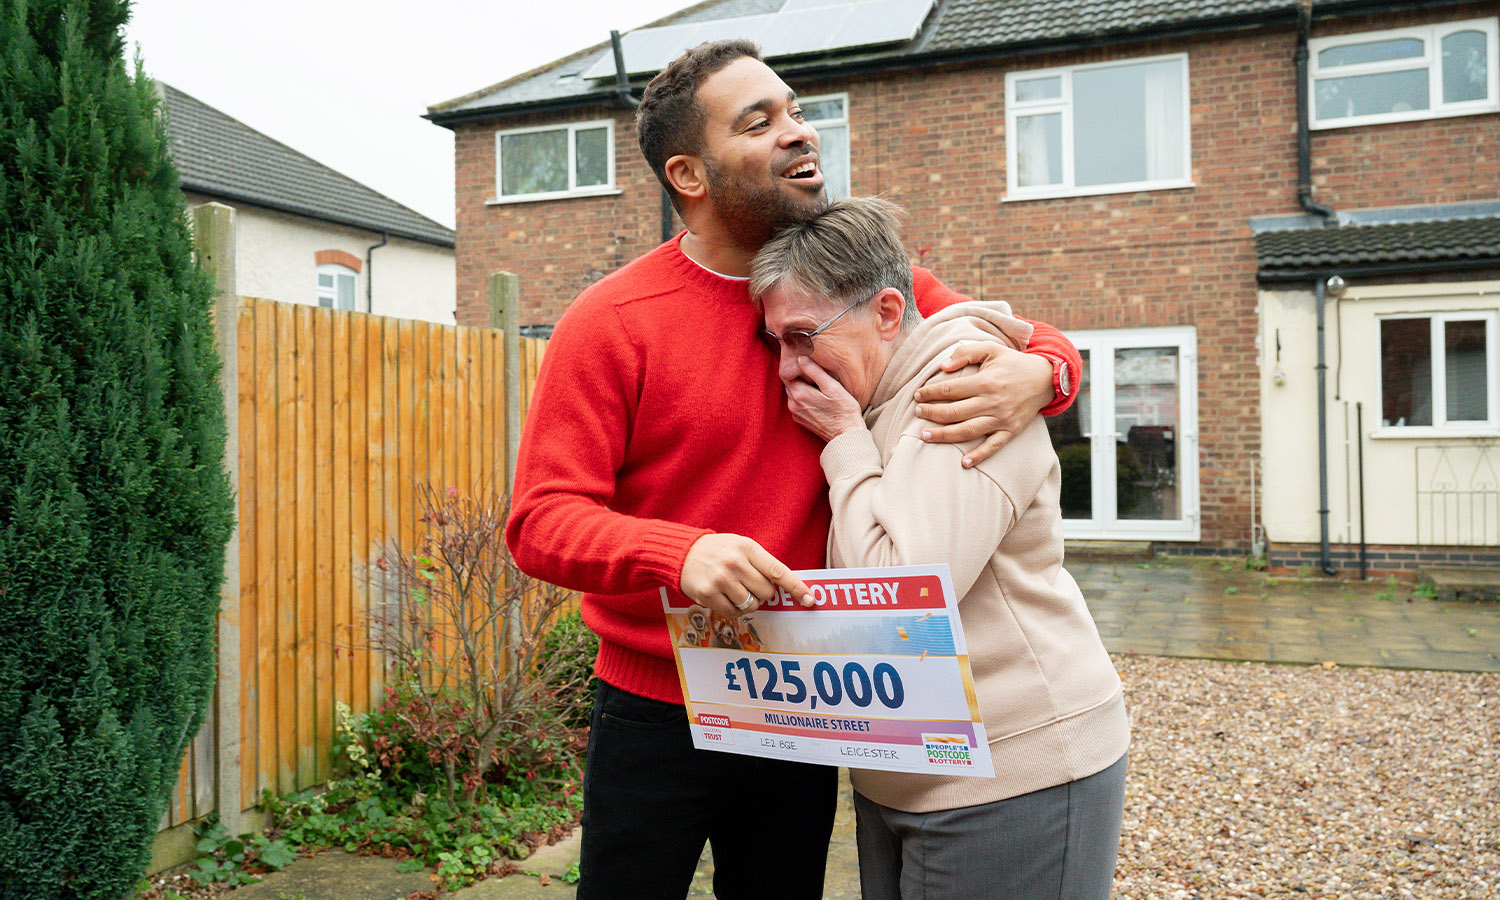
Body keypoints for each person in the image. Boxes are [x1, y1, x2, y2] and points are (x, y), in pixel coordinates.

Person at [504, 40, 1082, 900]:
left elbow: (1026, 335)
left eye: (797, 110)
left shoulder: (855, 279)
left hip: (804, 694)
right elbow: (540, 520)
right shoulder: (610, 321)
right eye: (760, 121)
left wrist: (1046, 374)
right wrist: (679, 553)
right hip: (655, 705)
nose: (799, 132)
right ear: (689, 175)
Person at [749, 196, 1129, 900]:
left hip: (1015, 771)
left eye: (803, 335)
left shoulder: (958, 391)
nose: (787, 367)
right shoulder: (883, 395)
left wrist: (842, 442)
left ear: (887, 313)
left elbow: (890, 604)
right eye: (775, 341)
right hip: (912, 770)